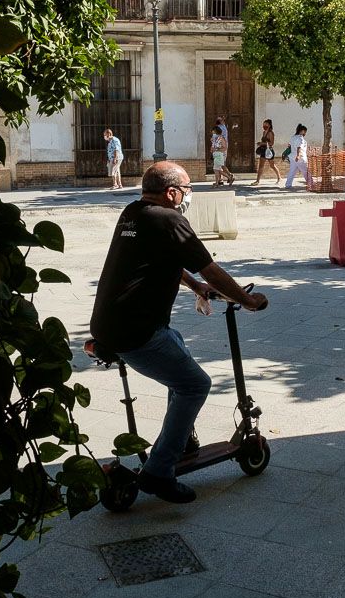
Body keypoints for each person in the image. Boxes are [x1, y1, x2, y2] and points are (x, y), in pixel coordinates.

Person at [89, 161, 269, 503]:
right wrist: (246, 300)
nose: (188, 197)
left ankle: (181, 438)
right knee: (195, 384)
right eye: (187, 190)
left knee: (178, 346)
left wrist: (193, 285)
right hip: (136, 333)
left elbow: (163, 258)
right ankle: (158, 472)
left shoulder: (132, 212)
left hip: (111, 325)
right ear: (172, 193)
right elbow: (213, 271)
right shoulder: (171, 218)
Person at [251, 118, 281, 185]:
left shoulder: (271, 133)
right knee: (261, 166)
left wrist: (262, 143)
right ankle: (257, 181)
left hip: (269, 151)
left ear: (269, 125)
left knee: (272, 165)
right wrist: (261, 143)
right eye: (264, 124)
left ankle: (279, 177)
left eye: (266, 124)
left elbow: (271, 143)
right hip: (263, 150)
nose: (264, 125)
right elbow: (265, 141)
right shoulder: (264, 132)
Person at [284, 123, 314, 189]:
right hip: (300, 158)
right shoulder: (301, 138)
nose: (305, 133)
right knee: (306, 171)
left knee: (292, 171)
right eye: (305, 132)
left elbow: (290, 146)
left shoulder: (293, 137)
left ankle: (288, 184)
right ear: (302, 131)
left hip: (292, 157)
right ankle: (311, 184)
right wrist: (298, 156)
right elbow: (299, 147)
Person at [214, 115, 235, 185]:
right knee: (220, 164)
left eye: (219, 120)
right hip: (223, 148)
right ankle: (220, 180)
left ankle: (229, 176)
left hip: (221, 149)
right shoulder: (224, 127)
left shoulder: (220, 128)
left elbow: (218, 138)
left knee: (219, 165)